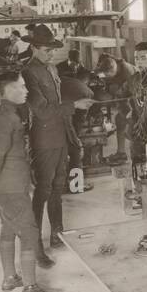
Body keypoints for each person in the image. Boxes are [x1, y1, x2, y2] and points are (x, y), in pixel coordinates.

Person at [0, 73, 61, 292]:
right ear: (9, 90)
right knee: (29, 233)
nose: (26, 91)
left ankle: (10, 278)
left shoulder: (3, 113)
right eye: (22, 86)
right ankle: (30, 287)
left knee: (8, 228)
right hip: (11, 186)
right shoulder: (5, 118)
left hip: (8, 184)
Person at [24, 25, 93, 254]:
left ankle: (57, 233)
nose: (51, 54)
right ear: (33, 48)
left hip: (61, 134)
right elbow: (41, 110)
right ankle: (33, 240)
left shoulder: (51, 69)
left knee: (57, 188)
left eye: (53, 50)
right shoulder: (28, 72)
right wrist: (74, 105)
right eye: (46, 50)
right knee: (43, 189)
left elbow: (59, 100)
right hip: (43, 139)